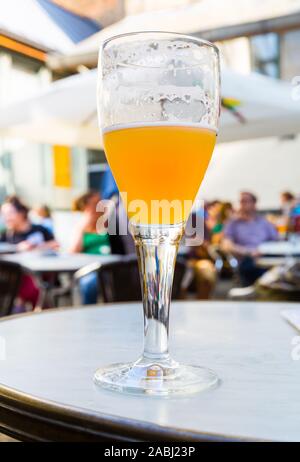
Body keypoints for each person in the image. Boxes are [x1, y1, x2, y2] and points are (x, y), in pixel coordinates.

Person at [0, 196, 57, 311]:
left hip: (39, 274)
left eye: (9, 213)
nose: (6, 218)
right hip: (16, 277)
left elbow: (55, 245)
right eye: (3, 214)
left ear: (21, 213)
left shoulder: (39, 229)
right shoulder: (6, 235)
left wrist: (35, 247)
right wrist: (17, 248)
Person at [222, 192, 278, 286]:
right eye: (240, 201)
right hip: (246, 260)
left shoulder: (264, 222)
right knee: (260, 271)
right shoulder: (233, 223)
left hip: (266, 256)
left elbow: (276, 240)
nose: (241, 204)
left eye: (245, 201)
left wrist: (266, 251)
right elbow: (226, 245)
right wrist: (249, 252)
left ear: (254, 204)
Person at [70, 191, 111, 304]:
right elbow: (73, 252)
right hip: (90, 269)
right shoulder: (81, 228)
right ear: (87, 208)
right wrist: (82, 228)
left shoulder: (111, 225)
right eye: (96, 203)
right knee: (89, 284)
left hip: (111, 267)